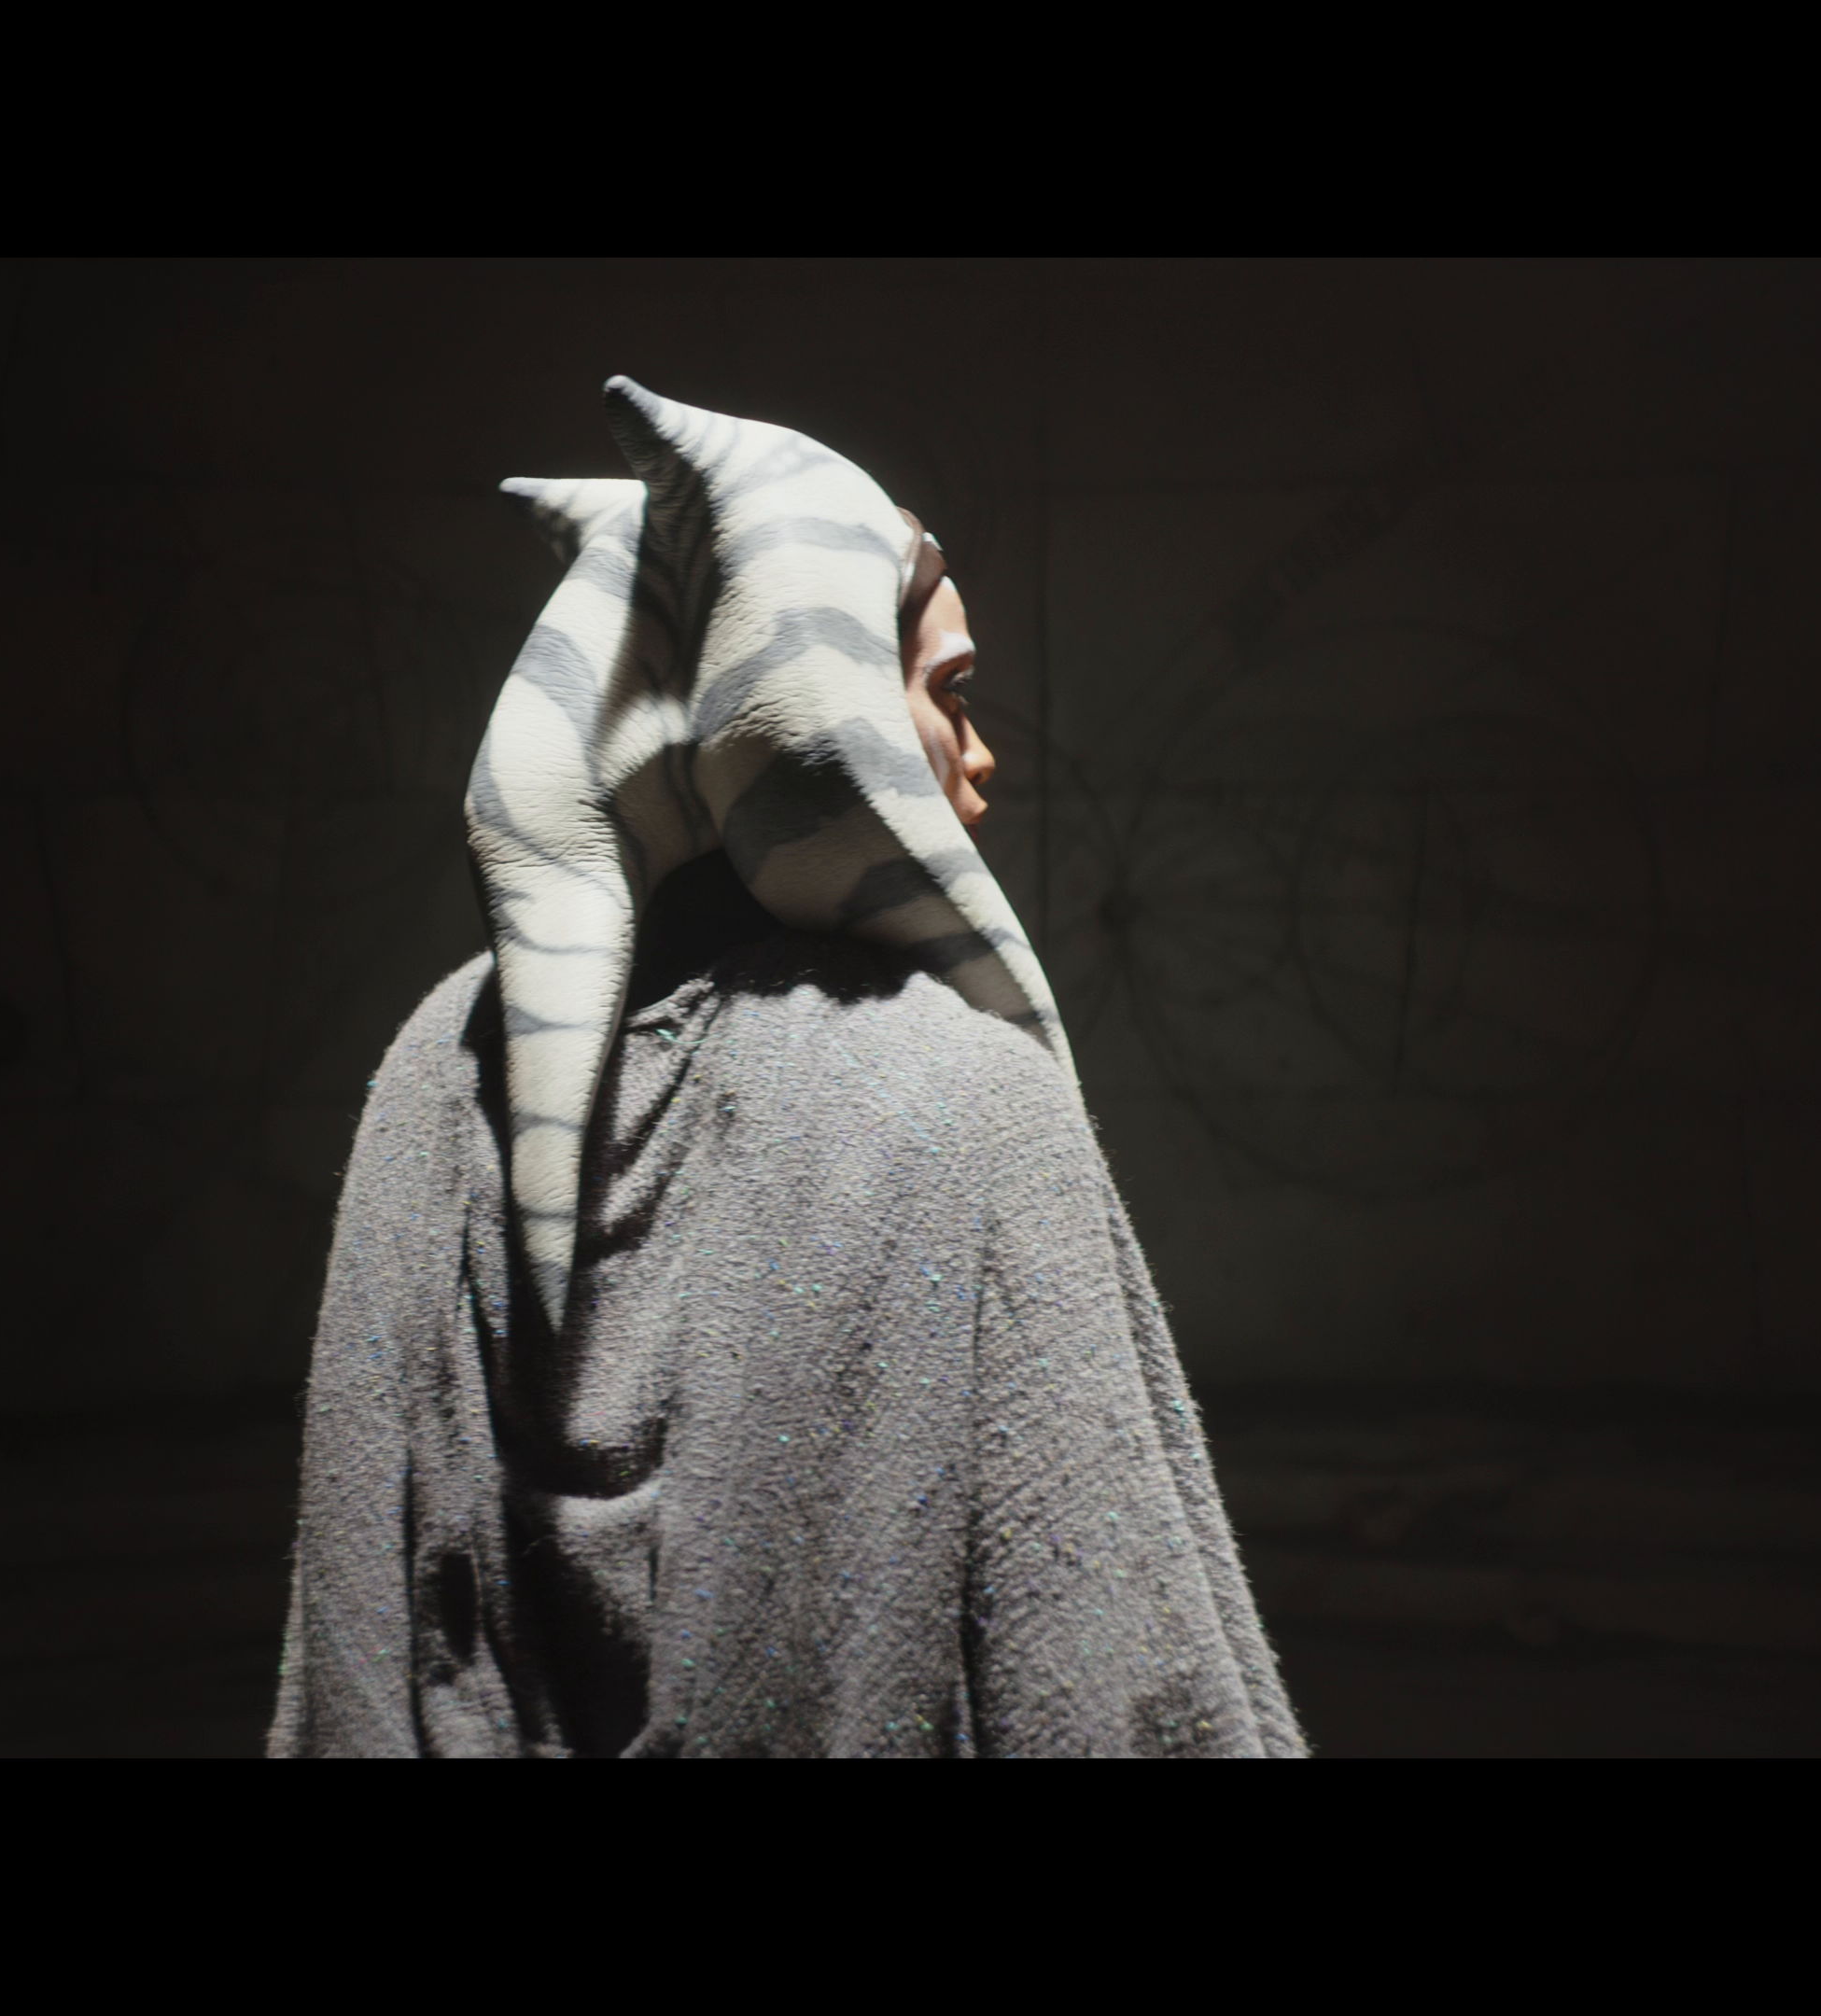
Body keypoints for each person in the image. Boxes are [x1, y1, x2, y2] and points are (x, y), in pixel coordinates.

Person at [269, 380, 1301, 1757]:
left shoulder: (433, 1071)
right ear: (825, 698)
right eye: (950, 694)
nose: (982, 757)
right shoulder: (959, 1099)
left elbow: (355, 1635)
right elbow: (1116, 1681)